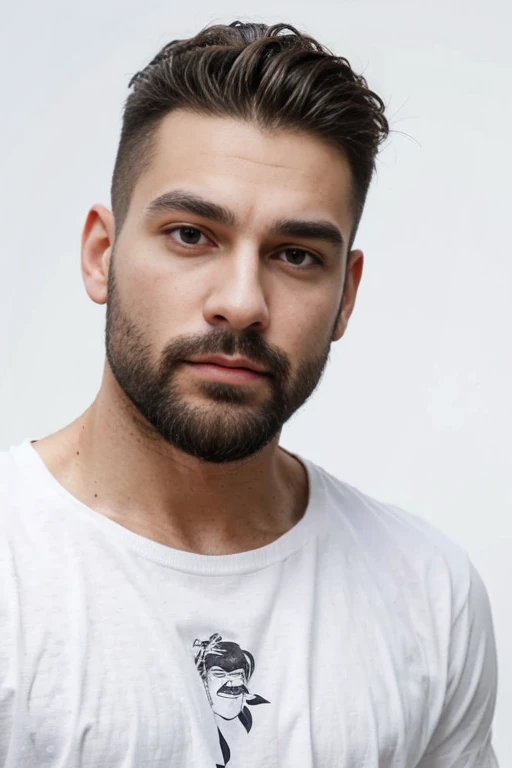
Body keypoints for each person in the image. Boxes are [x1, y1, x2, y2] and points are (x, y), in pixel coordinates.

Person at [0, 20, 498, 768]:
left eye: (295, 256)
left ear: (346, 296)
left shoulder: (430, 595)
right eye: (192, 235)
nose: (241, 302)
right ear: (102, 255)